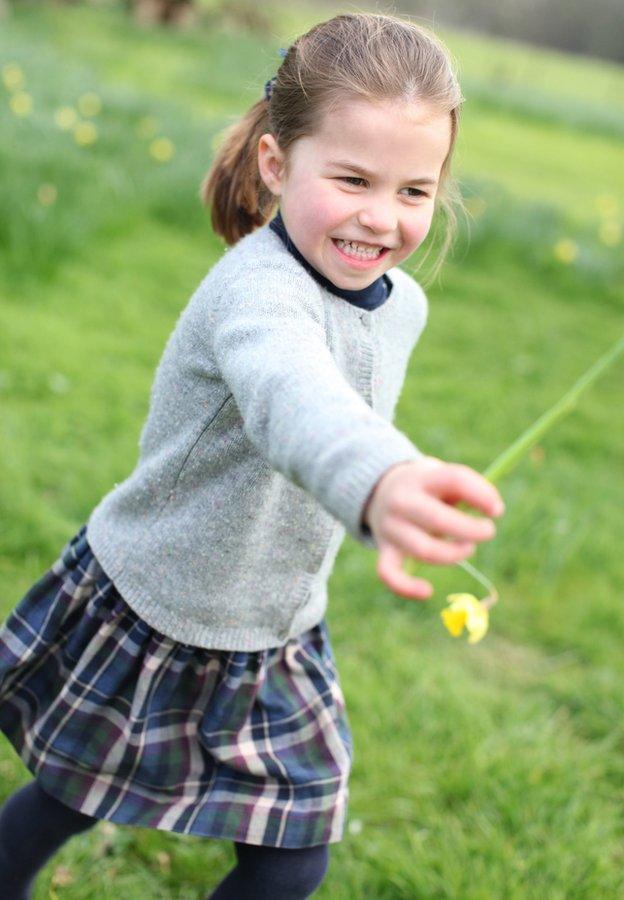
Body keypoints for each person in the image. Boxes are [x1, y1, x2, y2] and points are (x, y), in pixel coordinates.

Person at [0, 11, 505, 900]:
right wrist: (380, 482)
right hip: (156, 604)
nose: (381, 219)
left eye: (415, 191)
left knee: (295, 853)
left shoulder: (402, 307)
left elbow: (347, 408)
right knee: (69, 795)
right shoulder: (256, 294)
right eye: (352, 178)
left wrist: (396, 474)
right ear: (277, 164)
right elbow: (293, 399)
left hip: (276, 628)